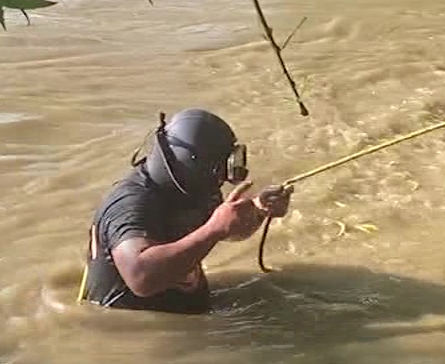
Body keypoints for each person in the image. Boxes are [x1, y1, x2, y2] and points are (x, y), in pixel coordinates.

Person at [79, 109, 290, 313]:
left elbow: (228, 229)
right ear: (196, 165)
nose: (222, 181)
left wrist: (259, 211)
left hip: (187, 316)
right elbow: (141, 277)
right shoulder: (129, 205)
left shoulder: (194, 187)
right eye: (220, 171)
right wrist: (215, 229)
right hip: (137, 334)